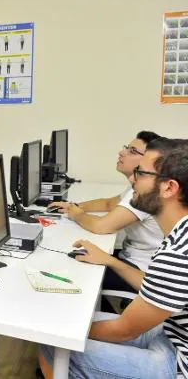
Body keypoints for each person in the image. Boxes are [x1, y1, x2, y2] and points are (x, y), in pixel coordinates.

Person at [39, 137, 188, 379]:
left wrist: (61, 331)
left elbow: (123, 331)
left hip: (177, 363)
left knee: (54, 342)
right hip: (172, 335)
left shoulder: (178, 253)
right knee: (68, 320)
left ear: (169, 188)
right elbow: (158, 287)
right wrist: (111, 261)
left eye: (141, 173)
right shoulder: (181, 233)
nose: (133, 180)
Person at [50, 132, 163, 310]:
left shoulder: (146, 192)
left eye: (132, 151)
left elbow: (102, 227)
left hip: (142, 272)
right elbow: (110, 203)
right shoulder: (139, 185)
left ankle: (87, 319)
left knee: (74, 268)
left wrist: (77, 215)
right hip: (133, 259)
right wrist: (73, 206)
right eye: (127, 147)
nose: (122, 152)